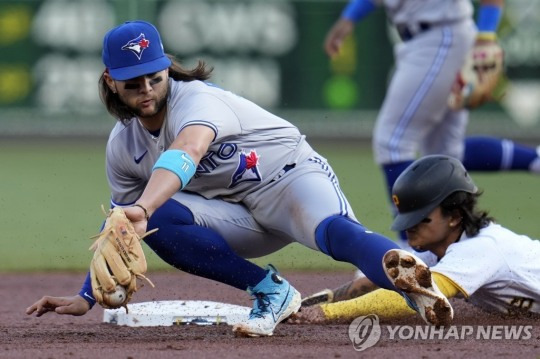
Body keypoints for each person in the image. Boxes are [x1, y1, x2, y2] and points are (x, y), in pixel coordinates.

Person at [25, 20, 452, 336]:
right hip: (234, 214)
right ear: (110, 83)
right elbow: (121, 227)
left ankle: (416, 290)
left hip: (289, 180)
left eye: (155, 77)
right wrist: (85, 296)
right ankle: (270, 290)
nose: (148, 89)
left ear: (167, 68)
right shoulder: (123, 146)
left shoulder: (198, 101)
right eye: (133, 83)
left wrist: (141, 207)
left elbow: (188, 149)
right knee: (154, 222)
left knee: (335, 234)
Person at [324, 0, 540, 245]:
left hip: (441, 36)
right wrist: (349, 18)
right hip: (429, 39)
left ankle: (410, 245)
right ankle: (535, 161)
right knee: (447, 152)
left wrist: (487, 33)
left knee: (393, 142)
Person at [288, 155, 540, 324]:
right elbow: (369, 284)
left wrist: (328, 313)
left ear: (453, 216)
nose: (410, 225)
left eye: (420, 217)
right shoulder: (439, 249)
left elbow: (420, 296)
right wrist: (311, 304)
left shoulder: (480, 248)